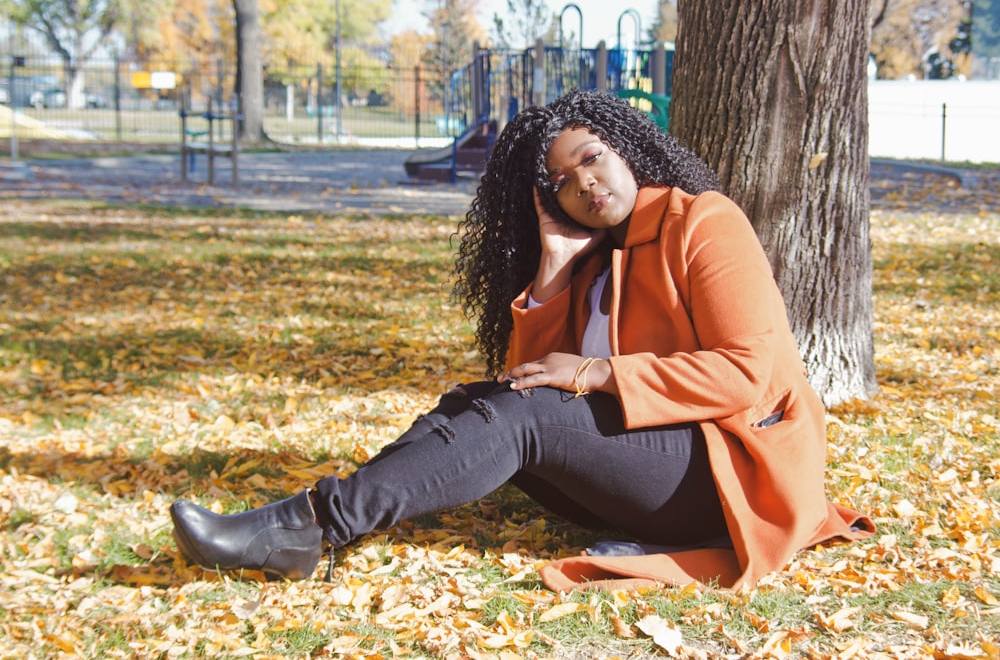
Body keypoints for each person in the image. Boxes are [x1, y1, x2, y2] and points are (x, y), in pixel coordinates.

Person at [170, 89, 873, 590]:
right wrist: (554, 274)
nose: (587, 184)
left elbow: (744, 372)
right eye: (564, 183)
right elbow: (524, 385)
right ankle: (311, 521)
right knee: (485, 398)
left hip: (736, 471)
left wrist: (595, 372)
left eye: (593, 158)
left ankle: (309, 526)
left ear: (625, 146)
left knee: (523, 412)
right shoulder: (593, 260)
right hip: (662, 468)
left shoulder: (703, 221)